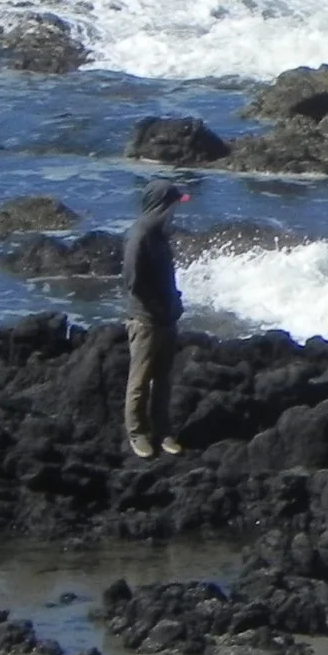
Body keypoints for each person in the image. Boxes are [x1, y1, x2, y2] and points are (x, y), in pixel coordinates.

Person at [121, 178, 190, 458]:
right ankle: (137, 433)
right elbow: (133, 281)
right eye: (173, 204)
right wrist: (159, 309)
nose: (176, 210)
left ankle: (162, 430)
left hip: (166, 318)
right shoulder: (140, 236)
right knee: (139, 381)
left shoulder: (159, 233)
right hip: (146, 320)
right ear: (162, 205)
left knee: (163, 378)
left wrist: (173, 304)